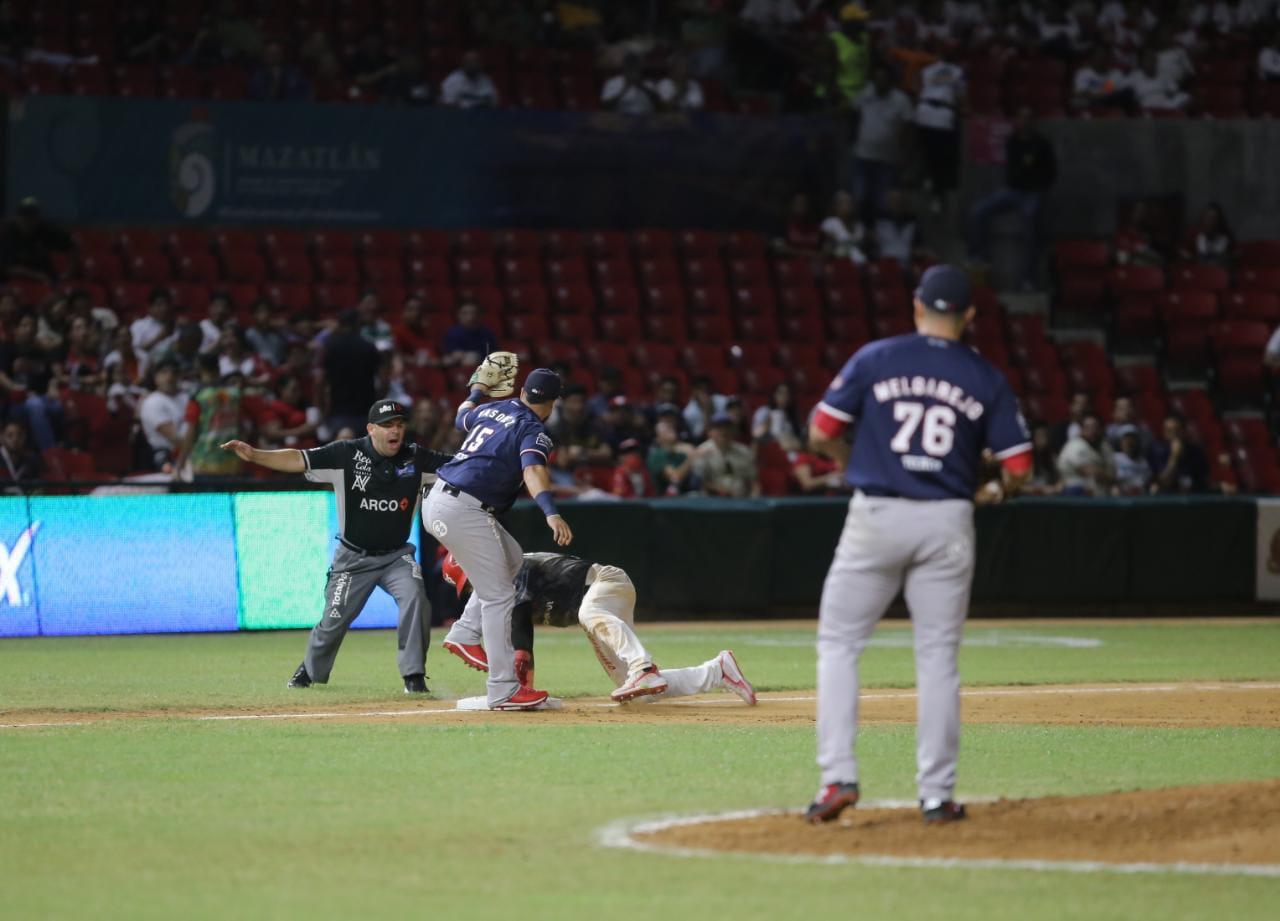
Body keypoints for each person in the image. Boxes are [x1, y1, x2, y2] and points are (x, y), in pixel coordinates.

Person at [805, 265, 1031, 826]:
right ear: (970, 316)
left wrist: (849, 464)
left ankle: (838, 777)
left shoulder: (877, 357)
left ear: (916, 306)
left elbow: (820, 431)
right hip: (947, 518)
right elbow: (1020, 465)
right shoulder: (985, 375)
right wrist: (998, 489)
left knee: (839, 645)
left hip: (877, 513)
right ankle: (936, 795)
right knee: (937, 659)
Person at [221, 399, 452, 693]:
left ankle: (413, 676)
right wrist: (254, 455)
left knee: (416, 597)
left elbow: (459, 465)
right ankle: (310, 668)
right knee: (333, 620)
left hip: (397, 556)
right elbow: (297, 458)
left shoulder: (416, 458)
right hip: (353, 558)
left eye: (399, 425)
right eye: (387, 426)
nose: (395, 431)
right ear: (371, 429)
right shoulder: (346, 454)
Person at [423, 360, 573, 710]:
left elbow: (462, 415)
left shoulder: (493, 408)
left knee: (512, 559)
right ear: (552, 403)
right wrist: (551, 512)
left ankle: (463, 633)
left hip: (440, 498)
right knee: (500, 596)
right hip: (463, 508)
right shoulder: (534, 429)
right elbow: (533, 469)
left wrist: (477, 390)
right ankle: (503, 689)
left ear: (521, 392)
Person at [442, 551, 757, 704]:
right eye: (466, 589)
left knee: (588, 613)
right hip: (594, 610)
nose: (474, 591)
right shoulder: (502, 601)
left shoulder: (511, 567)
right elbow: (520, 644)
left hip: (606, 582)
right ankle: (718, 671)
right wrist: (522, 693)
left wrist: (517, 666)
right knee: (638, 699)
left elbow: (521, 628)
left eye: (470, 581)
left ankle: (642, 666)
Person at [966, 107, 1057, 290]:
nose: (1025, 122)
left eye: (1028, 118)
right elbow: (1015, 171)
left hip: (1032, 192)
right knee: (978, 211)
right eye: (1021, 118)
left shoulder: (1042, 144)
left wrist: (1037, 183)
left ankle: (1027, 279)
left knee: (1030, 226)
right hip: (1012, 190)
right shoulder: (1013, 142)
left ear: (1034, 122)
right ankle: (978, 257)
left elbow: (1050, 172)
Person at [852, 66, 914, 220]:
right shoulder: (866, 94)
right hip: (863, 155)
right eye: (877, 79)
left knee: (882, 201)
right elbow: (853, 111)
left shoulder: (901, 100)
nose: (880, 82)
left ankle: (880, 234)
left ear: (890, 81)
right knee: (860, 196)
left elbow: (910, 128)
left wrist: (905, 153)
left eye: (883, 79)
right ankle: (860, 231)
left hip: (888, 159)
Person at [914, 47, 966, 213]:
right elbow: (961, 97)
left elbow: (918, 89)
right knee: (942, 158)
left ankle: (927, 179)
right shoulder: (957, 71)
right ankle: (936, 191)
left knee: (928, 152)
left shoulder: (927, 70)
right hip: (943, 116)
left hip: (924, 112)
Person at [322, 308, 382, 437]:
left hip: (339, 411)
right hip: (366, 410)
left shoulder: (330, 347)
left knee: (343, 453)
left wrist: (322, 408)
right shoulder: (369, 347)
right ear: (357, 324)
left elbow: (320, 380)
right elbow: (384, 379)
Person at [0, 197, 71, 284]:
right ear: (17, 218)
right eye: (25, 218)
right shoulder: (9, 234)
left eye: (32, 217)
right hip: (13, 284)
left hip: (46, 284)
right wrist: (35, 276)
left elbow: (71, 246)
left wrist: (69, 273)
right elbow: (7, 269)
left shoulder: (46, 231)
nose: (28, 222)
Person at [138, 359, 189, 470]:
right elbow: (177, 439)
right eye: (164, 372)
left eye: (174, 373)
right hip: (166, 458)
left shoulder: (187, 396)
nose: (169, 377)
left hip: (190, 454)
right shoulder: (152, 402)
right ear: (155, 378)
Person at [693, 413, 759, 497]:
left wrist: (754, 500)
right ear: (710, 432)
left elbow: (754, 482)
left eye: (728, 427)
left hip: (742, 501)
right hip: (712, 502)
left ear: (733, 430)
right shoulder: (702, 451)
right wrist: (723, 491)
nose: (724, 431)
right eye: (719, 428)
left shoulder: (744, 452)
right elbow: (699, 483)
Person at [1056, 412, 1115, 496]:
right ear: (1081, 429)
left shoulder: (1105, 447)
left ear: (1101, 428)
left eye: (1095, 427)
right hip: (1075, 493)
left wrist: (1102, 474)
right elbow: (1087, 471)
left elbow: (1112, 476)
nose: (1092, 431)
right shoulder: (1075, 445)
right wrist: (1102, 474)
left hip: (1100, 495)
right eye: (1087, 427)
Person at [1149, 413, 1208, 494]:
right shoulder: (1157, 451)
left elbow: (1203, 482)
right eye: (1169, 431)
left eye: (1177, 430)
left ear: (1183, 431)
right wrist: (1174, 457)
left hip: (1193, 498)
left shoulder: (1196, 452)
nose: (1174, 435)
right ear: (1164, 432)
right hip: (1167, 499)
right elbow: (1162, 482)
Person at [648, 414, 697, 495]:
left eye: (670, 427)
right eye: (665, 429)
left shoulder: (681, 452)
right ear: (658, 438)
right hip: (663, 501)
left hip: (686, 495)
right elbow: (675, 478)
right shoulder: (656, 454)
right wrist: (691, 457)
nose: (670, 429)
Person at [441, 300, 499, 367]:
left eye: (474, 313)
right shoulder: (452, 333)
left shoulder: (487, 334)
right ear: (459, 315)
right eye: (465, 313)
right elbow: (453, 354)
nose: (470, 318)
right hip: (459, 366)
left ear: (480, 315)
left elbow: (493, 355)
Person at [820, 190, 868, 265]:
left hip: (859, 265)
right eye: (843, 202)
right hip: (838, 264)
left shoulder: (859, 226)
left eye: (850, 202)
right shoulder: (830, 223)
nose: (847, 205)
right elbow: (827, 250)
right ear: (836, 206)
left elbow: (862, 250)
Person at [752, 382, 802, 450]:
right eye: (780, 393)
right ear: (774, 395)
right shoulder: (764, 411)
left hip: (793, 448)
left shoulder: (792, 414)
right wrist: (768, 423)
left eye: (787, 394)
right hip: (773, 449)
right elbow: (756, 434)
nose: (784, 397)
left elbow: (798, 436)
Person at [774, 191, 825, 258]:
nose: (800, 206)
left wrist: (794, 251)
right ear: (791, 204)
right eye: (797, 202)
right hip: (790, 264)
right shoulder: (784, 224)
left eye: (803, 203)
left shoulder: (819, 226)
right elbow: (779, 249)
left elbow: (824, 254)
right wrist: (806, 253)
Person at [1021, 420, 1062, 495]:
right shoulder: (1023, 460)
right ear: (1032, 438)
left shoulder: (1051, 457)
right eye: (1041, 435)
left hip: (1048, 500)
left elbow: (1061, 480)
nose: (1044, 440)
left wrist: (1057, 487)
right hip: (1028, 501)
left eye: (1046, 435)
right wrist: (1039, 489)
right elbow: (1018, 487)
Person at [1112, 425, 1152, 495]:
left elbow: (1147, 483)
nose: (1129, 443)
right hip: (1120, 498)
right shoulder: (1114, 458)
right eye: (1126, 440)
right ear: (1120, 442)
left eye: (1132, 439)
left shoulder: (1143, 462)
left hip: (1139, 498)